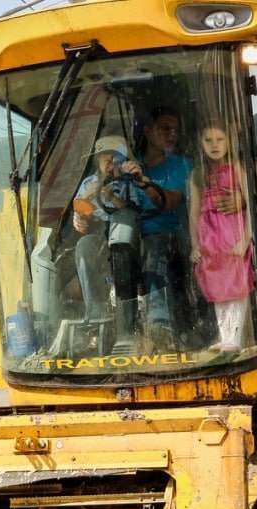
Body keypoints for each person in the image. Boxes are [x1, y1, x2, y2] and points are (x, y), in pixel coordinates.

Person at [120, 106, 193, 350]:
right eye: (165, 128)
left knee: (153, 247)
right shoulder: (129, 167)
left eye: (175, 130)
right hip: (131, 237)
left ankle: (159, 325)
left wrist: (144, 183)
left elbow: (169, 201)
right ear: (148, 131)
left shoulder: (181, 166)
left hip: (171, 237)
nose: (172, 134)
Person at [188, 123, 253, 352]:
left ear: (229, 142)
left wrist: (245, 238)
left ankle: (235, 336)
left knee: (236, 284)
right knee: (217, 286)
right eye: (208, 140)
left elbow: (252, 206)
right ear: (200, 144)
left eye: (219, 139)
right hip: (210, 237)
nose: (214, 145)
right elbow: (194, 213)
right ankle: (225, 336)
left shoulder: (237, 168)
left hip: (232, 233)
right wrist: (195, 244)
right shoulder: (198, 175)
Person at [72, 135, 135, 322]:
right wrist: (87, 198)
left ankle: (126, 314)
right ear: (97, 160)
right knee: (84, 247)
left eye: (116, 160)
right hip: (99, 233)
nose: (111, 165)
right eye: (107, 160)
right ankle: (96, 313)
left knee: (121, 251)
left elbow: (134, 210)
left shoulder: (129, 182)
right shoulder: (88, 183)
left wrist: (112, 197)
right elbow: (81, 218)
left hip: (128, 233)